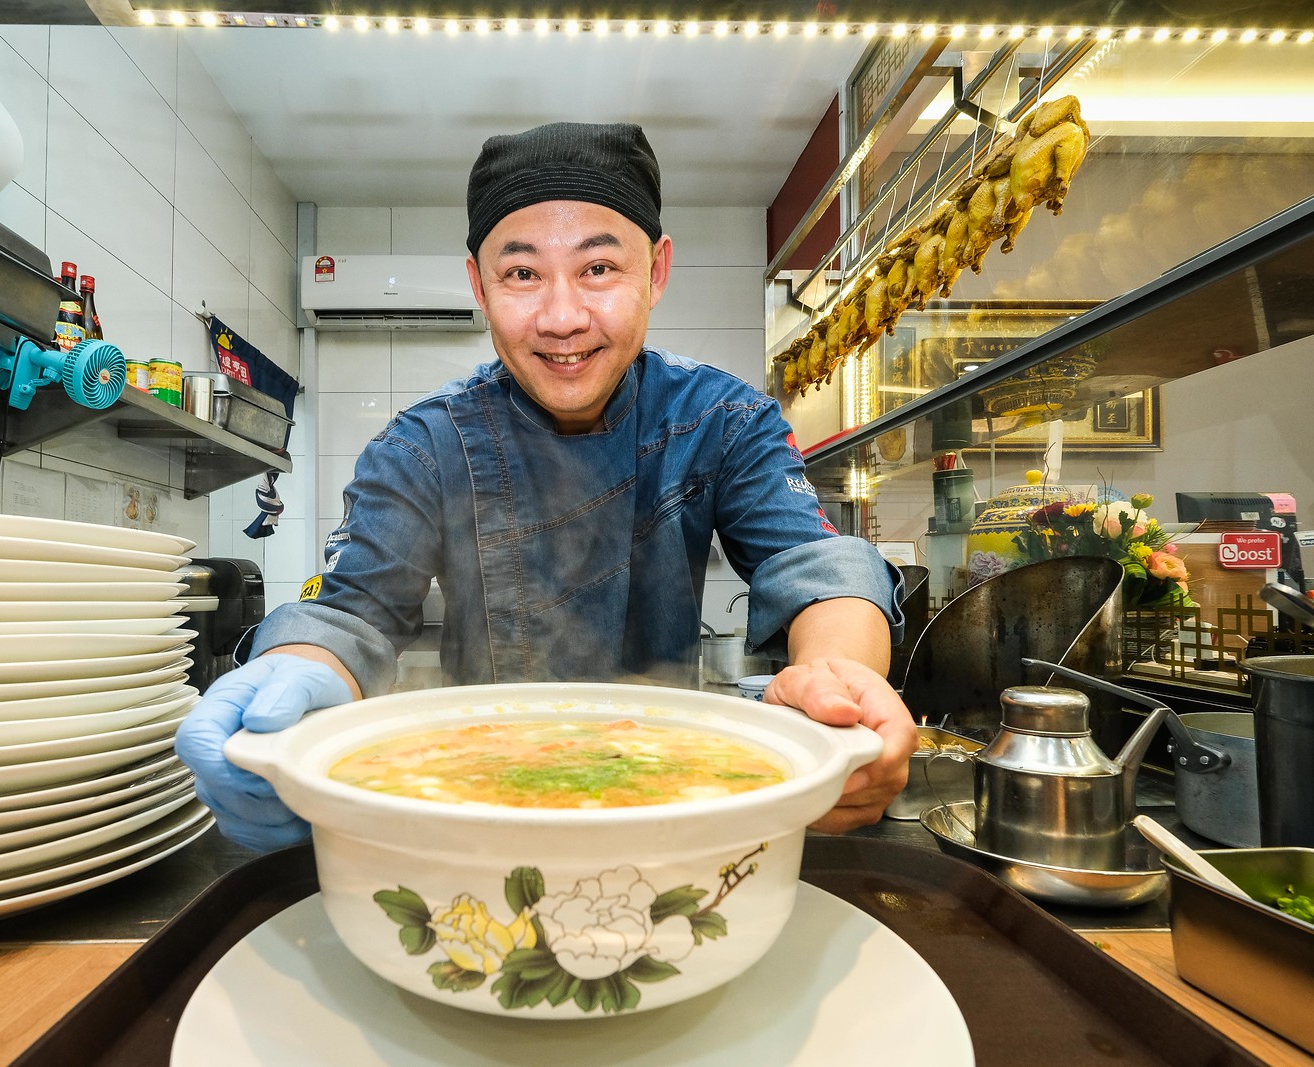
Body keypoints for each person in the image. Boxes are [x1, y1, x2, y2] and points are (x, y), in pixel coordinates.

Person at [177, 121, 917, 851]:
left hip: (676, 803)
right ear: (479, 283)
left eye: (598, 269)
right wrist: (287, 677)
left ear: (656, 271)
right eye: (522, 273)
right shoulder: (425, 445)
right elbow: (351, 615)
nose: (563, 319)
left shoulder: (722, 419)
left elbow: (816, 568)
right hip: (474, 811)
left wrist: (840, 684)